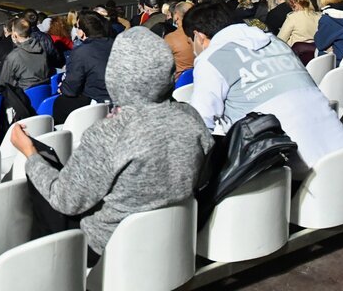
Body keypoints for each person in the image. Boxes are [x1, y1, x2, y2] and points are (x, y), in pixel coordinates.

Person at [15, 26, 213, 264]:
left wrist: (30, 155)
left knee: (41, 178)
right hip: (172, 237)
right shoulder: (190, 116)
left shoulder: (110, 133)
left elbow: (65, 200)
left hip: (109, 247)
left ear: (117, 74)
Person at [184, 2, 343, 168]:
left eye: (190, 43)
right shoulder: (276, 43)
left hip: (292, 171)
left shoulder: (210, 59)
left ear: (198, 36)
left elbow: (200, 124)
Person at [53, 10, 113, 122]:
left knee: (60, 103)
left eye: (77, 26)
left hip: (98, 101)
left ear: (81, 32)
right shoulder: (115, 43)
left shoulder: (81, 52)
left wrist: (63, 87)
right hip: (116, 97)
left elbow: (71, 89)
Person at [0, 17, 51, 91]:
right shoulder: (42, 47)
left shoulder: (13, 56)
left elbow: (4, 82)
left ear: (15, 35)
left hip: (23, 97)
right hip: (43, 92)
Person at [278, 0, 321, 64]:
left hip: (297, 59)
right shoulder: (318, 16)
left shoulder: (293, 18)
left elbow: (280, 41)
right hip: (317, 59)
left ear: (295, 3)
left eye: (291, 4)